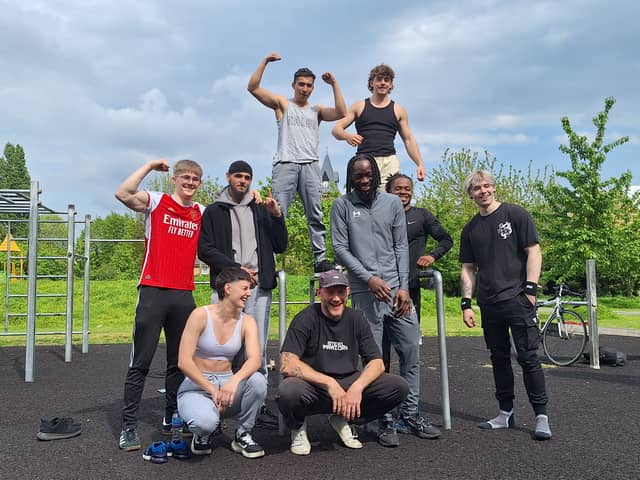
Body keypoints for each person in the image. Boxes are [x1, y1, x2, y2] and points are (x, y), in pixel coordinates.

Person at [330, 154, 441, 448]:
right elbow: (340, 248)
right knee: (375, 360)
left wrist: (403, 286)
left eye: (368, 175)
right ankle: (384, 418)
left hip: (397, 292)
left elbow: (400, 246)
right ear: (350, 177)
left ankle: (410, 414)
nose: (364, 180)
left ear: (377, 175)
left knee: (411, 354)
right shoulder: (341, 206)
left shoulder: (391, 203)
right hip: (367, 292)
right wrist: (368, 278)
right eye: (358, 176)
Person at [114, 159, 205, 451]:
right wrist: (150, 165)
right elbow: (123, 193)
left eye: (195, 179)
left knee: (179, 362)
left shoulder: (200, 212)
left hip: (183, 295)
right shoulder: (156, 201)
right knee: (141, 361)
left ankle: (171, 416)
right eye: (186, 178)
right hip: (153, 291)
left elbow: (230, 214)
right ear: (175, 180)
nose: (190, 183)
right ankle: (128, 427)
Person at [459, 170, 551, 440]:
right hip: (489, 304)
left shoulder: (516, 215)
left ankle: (541, 417)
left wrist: (530, 290)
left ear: (494, 188)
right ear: (471, 194)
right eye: (477, 188)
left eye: (487, 185)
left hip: (518, 299)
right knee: (498, 359)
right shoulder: (470, 229)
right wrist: (466, 303)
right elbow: (468, 268)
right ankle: (505, 413)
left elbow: (533, 251)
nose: (483, 191)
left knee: (528, 358)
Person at [277, 269, 408, 455]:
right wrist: (329, 383)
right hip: (314, 387)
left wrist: (358, 387)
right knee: (288, 391)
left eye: (340, 292)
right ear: (319, 293)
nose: (336, 298)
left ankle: (345, 417)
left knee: (398, 386)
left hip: (348, 384)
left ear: (348, 292)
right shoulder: (305, 318)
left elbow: (377, 362)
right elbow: (287, 363)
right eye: (330, 292)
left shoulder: (357, 318)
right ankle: (297, 427)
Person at [197, 160, 287, 428]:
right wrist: (235, 269)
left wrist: (276, 216)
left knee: (255, 349)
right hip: (227, 287)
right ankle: (216, 403)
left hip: (258, 288)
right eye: (238, 176)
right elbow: (205, 248)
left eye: (247, 177)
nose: (243, 181)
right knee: (219, 347)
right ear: (228, 177)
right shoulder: (214, 211)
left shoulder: (261, 209)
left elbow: (280, 245)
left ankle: (256, 408)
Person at [248, 52, 346, 272]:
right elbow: (253, 88)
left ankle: (319, 260)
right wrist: (264, 61)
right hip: (286, 163)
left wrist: (334, 84)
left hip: (310, 165)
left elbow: (341, 112)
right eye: (301, 84)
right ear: (293, 85)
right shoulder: (282, 104)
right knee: (275, 210)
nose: (305, 89)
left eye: (309, 85)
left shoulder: (316, 110)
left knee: (316, 213)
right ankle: (268, 257)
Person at [177, 267, 267, 458]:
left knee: (258, 381)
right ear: (228, 289)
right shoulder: (200, 315)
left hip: (227, 385)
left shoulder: (247, 322)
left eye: (249, 289)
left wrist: (234, 381)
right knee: (204, 423)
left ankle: (243, 434)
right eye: (245, 288)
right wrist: (212, 389)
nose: (249, 294)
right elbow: (184, 362)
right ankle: (202, 434)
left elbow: (255, 359)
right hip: (197, 387)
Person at [331, 64, 425, 188]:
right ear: (371, 83)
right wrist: (347, 136)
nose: (383, 83)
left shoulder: (399, 110)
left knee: (389, 199)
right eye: (379, 79)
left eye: (386, 80)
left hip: (389, 161)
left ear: (391, 85)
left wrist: (419, 164)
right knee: (363, 198)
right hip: (365, 161)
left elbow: (408, 139)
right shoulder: (359, 106)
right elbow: (336, 129)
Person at [385, 173, 453, 322]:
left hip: (410, 287)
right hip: (384, 287)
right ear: (388, 191)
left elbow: (446, 240)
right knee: (381, 340)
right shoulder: (380, 217)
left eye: (407, 189)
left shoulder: (422, 215)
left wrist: (432, 256)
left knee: (410, 341)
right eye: (398, 188)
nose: (403, 192)